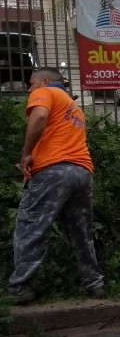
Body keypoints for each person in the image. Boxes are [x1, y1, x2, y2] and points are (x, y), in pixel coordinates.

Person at [7, 68, 105, 303]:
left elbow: (39, 116)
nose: (30, 89)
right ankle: (95, 284)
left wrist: (26, 153)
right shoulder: (74, 107)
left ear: (47, 81)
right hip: (81, 172)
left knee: (31, 228)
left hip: (52, 171)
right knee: (81, 232)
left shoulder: (47, 92)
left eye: (32, 84)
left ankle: (20, 287)